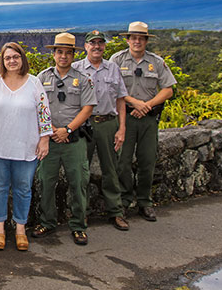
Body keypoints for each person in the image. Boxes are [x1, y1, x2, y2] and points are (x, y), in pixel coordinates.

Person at [0, 42, 53, 252]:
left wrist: (44, 139)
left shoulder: (34, 83)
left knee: (23, 188)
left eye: (15, 57)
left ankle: (20, 229)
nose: (12, 61)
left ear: (22, 59)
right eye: (7, 58)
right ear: (2, 61)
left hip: (26, 146)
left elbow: (44, 111)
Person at [33, 33, 96, 245]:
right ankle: (47, 221)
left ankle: (78, 225)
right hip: (49, 139)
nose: (63, 56)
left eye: (68, 53)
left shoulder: (83, 79)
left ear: (73, 55)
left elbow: (87, 108)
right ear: (54, 54)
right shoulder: (42, 78)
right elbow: (38, 106)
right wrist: (51, 130)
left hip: (74, 140)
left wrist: (67, 130)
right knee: (46, 182)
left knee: (78, 183)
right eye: (59, 52)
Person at [109, 22, 176, 221]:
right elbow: (112, 88)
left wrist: (146, 105)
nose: (137, 41)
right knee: (123, 162)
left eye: (141, 38)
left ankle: (145, 201)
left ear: (146, 40)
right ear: (128, 40)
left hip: (148, 119)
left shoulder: (156, 62)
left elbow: (168, 89)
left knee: (147, 161)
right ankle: (124, 200)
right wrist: (134, 103)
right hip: (125, 116)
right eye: (133, 38)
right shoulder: (117, 60)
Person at [73, 30, 130, 231]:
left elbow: (121, 99)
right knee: (82, 171)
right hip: (84, 125)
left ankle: (116, 212)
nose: (97, 46)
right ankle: (82, 213)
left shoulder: (113, 68)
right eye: (92, 43)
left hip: (108, 123)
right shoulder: (75, 69)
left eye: (100, 43)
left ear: (104, 46)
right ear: (85, 46)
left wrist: (121, 128)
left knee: (111, 170)